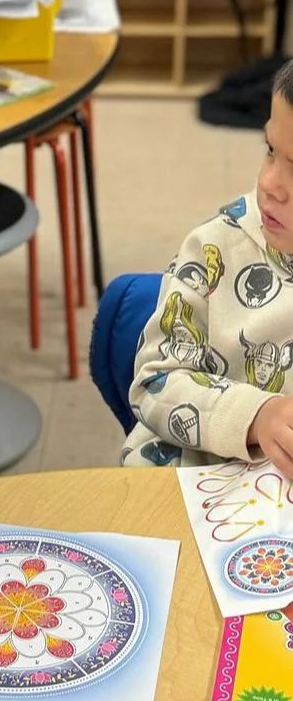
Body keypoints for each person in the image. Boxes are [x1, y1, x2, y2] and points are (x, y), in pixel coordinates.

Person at [123, 59, 293, 474]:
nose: (270, 182)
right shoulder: (217, 246)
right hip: (192, 486)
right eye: (271, 150)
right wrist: (258, 416)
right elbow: (153, 382)